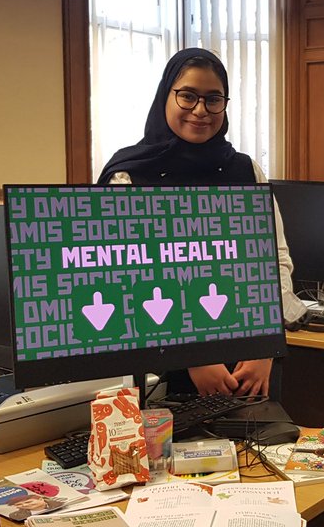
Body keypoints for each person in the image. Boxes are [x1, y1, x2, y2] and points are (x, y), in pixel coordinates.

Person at [97, 47, 305, 399]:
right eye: (188, 96)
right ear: (166, 96)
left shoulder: (244, 170)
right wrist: (191, 356)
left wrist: (266, 346)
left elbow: (275, 259)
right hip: (160, 369)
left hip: (250, 365)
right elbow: (123, 279)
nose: (200, 110)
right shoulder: (129, 176)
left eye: (213, 99)